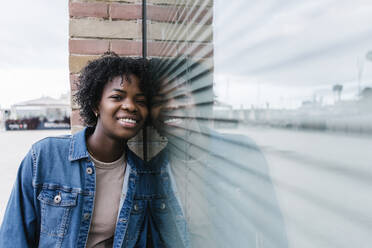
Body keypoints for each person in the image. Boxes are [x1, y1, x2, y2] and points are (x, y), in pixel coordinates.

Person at [0, 53, 155, 247]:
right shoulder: (45, 156)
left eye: (140, 101)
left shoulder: (144, 175)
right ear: (95, 105)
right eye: (117, 97)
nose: (130, 106)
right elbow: (14, 238)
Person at [147, 57, 289, 248]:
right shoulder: (151, 173)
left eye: (180, 97)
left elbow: (273, 230)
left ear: (198, 103)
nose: (170, 105)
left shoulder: (242, 152)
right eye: (158, 100)